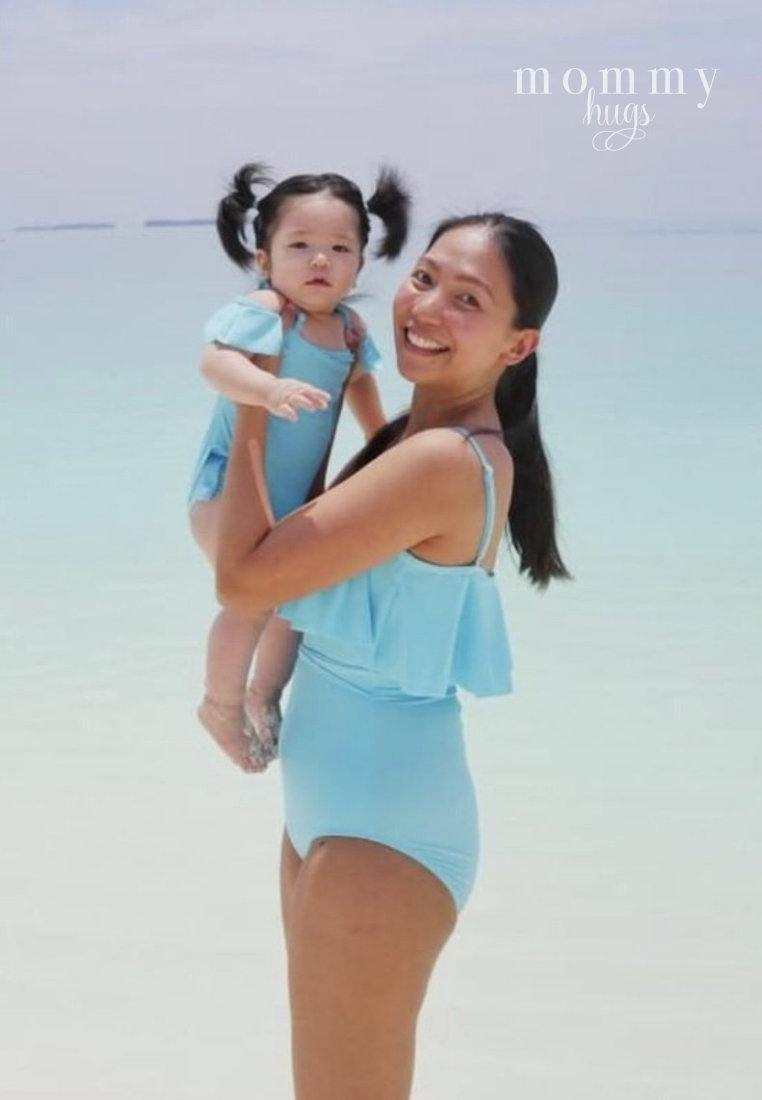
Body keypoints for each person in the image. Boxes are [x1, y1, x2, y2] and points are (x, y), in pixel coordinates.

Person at [216, 212, 569, 1099]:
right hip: (338, 822)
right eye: (423, 279)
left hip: (382, 839)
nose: (428, 307)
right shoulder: (415, 437)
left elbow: (245, 577)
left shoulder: (447, 461)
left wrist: (252, 397)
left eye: (468, 300)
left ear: (517, 345)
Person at [188, 162, 410, 770]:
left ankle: (264, 693)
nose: (320, 261)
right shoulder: (266, 309)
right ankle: (219, 704)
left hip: (293, 502)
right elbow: (213, 363)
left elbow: (359, 387)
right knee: (255, 596)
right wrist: (266, 391)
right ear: (264, 259)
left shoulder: (347, 328)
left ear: (361, 263)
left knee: (302, 601)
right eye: (300, 246)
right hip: (225, 490)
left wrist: (386, 444)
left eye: (339, 248)